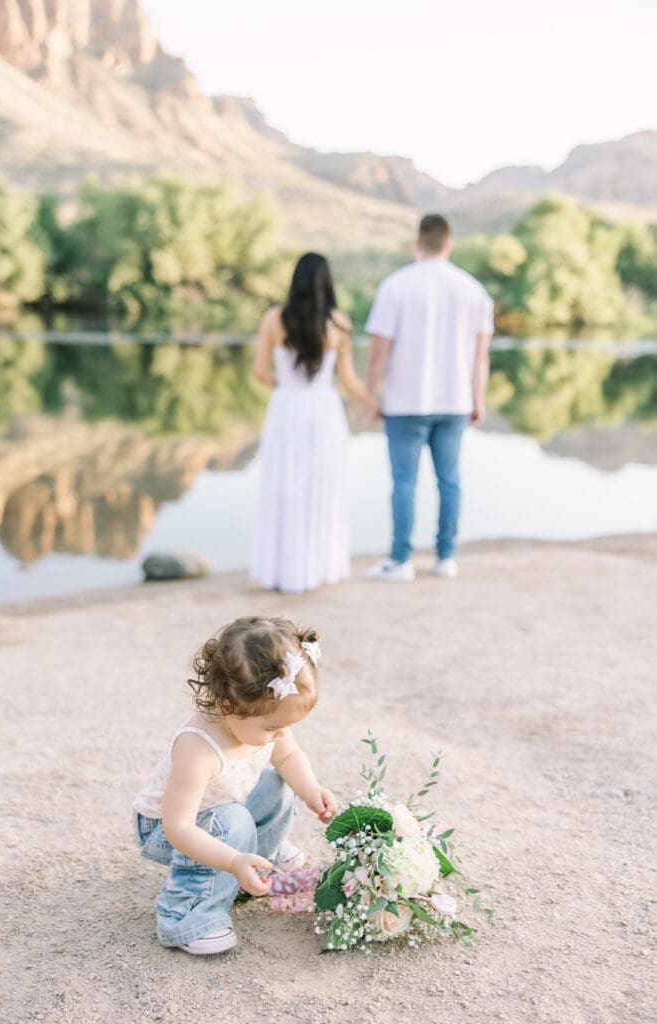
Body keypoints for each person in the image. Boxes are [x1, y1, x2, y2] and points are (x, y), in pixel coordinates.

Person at [133, 616, 335, 955]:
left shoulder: (261, 719)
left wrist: (312, 790)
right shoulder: (198, 749)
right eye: (271, 729)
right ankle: (188, 915)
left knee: (277, 784)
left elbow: (288, 756)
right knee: (233, 821)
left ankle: (261, 856)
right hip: (167, 829)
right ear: (227, 705)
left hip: (224, 810)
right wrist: (231, 860)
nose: (278, 735)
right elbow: (178, 828)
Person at [364, 214, 494, 581]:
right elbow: (480, 356)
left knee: (404, 482)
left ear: (417, 243)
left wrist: (369, 397)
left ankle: (400, 559)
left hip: (404, 403)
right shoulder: (474, 290)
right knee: (449, 480)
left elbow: (378, 353)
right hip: (455, 402)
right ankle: (445, 557)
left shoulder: (395, 286)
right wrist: (478, 399)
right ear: (449, 245)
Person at [251, 252, 378, 593]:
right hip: (323, 412)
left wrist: (282, 385)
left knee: (284, 488)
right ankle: (316, 567)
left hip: (285, 410)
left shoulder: (273, 319)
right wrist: (374, 405)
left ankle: (282, 571)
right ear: (327, 283)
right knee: (321, 488)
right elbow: (348, 381)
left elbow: (260, 371)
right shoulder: (339, 324)